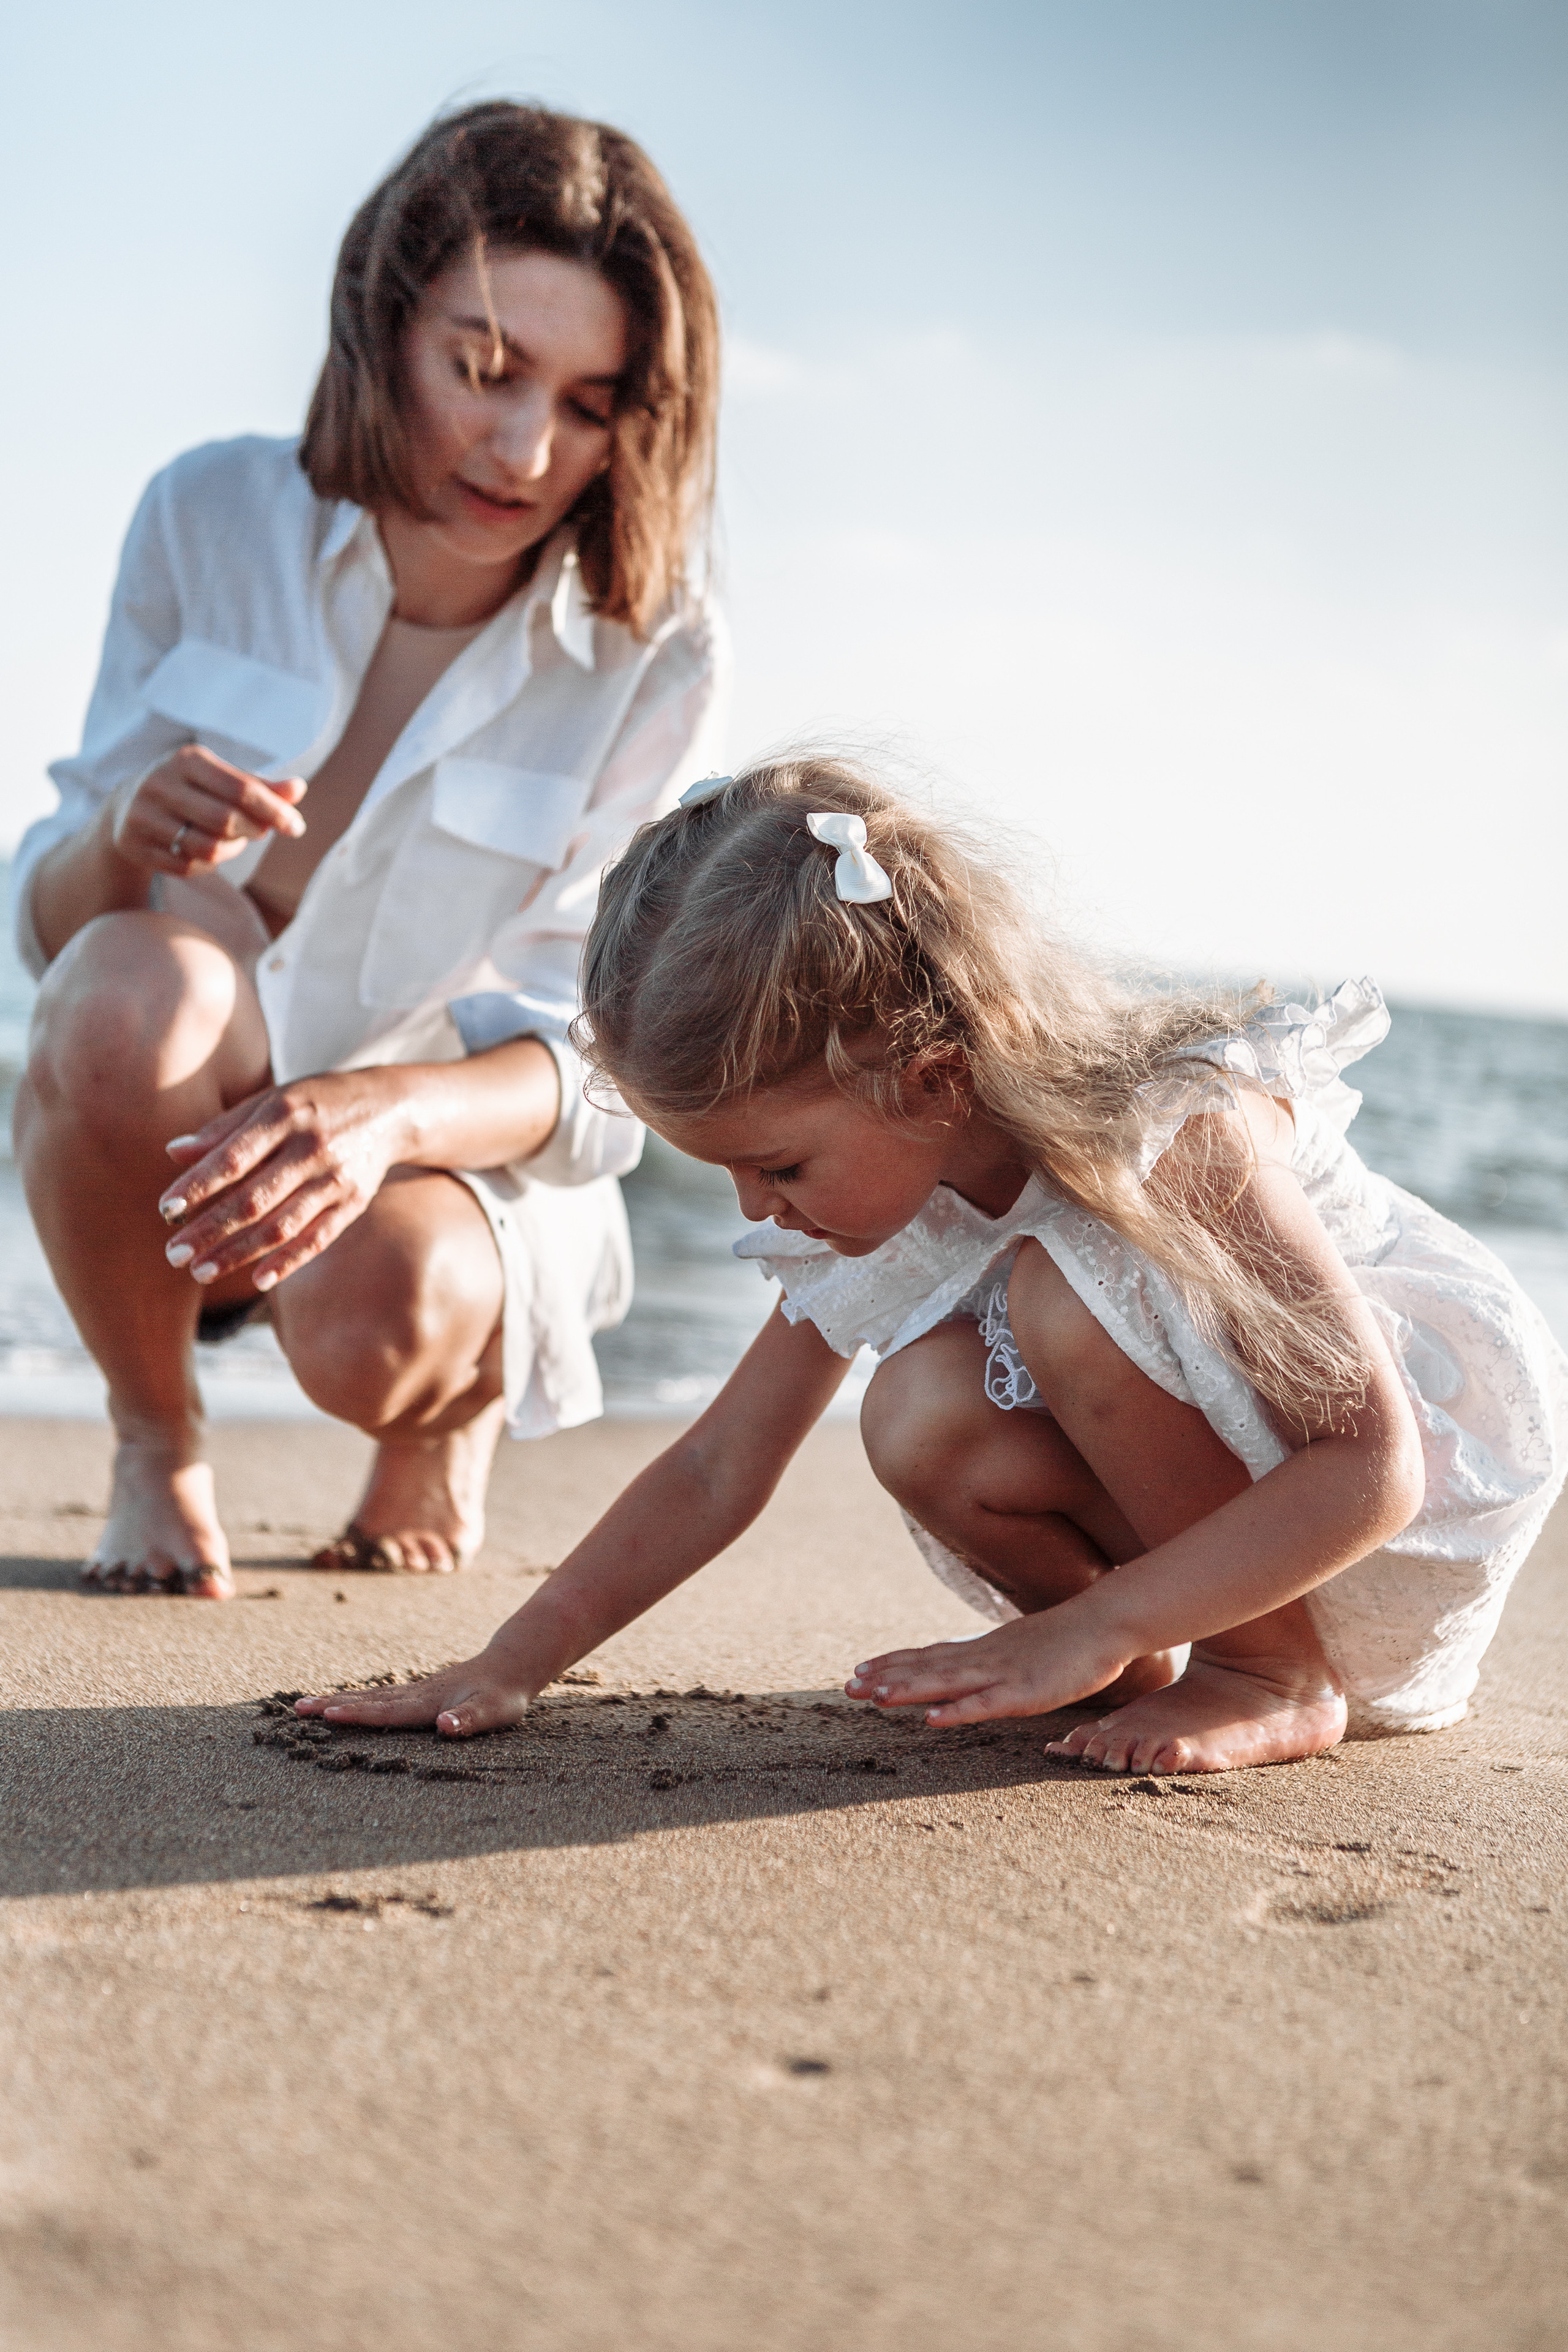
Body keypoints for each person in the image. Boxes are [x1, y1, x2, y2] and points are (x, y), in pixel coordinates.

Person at [297, 758, 1568, 1774]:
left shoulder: (1181, 1135)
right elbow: (716, 1460)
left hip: (1374, 1532)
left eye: (780, 1166)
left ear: (931, 1078)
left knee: (1060, 1303)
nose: (757, 1207)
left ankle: (1265, 1674)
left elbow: (1370, 1467)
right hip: (1209, 1553)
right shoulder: (894, 1175)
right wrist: (510, 1662)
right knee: (920, 1410)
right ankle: (1129, 1664)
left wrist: (1101, 1612)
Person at [11, 102, 725, 1596]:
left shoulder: (648, 650)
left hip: (446, 1163)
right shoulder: (207, 512)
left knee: (379, 1322)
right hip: (192, 1112)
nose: (526, 449)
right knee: (119, 984)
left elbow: (597, 1071)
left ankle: (446, 1412)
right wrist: (123, 839)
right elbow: (53, 937)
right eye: (482, 368)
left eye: (590, 403)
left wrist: (382, 1120)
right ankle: (158, 1444)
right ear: (381, 325)